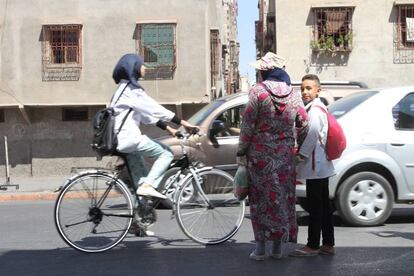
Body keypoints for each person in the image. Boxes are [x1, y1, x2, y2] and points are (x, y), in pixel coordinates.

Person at [237, 52, 309, 261]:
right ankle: (277, 249)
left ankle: (260, 249)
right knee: (282, 200)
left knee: (261, 202)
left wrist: (241, 151)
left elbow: (248, 124)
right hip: (285, 158)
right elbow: (304, 124)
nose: (258, 73)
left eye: (260, 70)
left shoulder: (258, 92)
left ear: (265, 71)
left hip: (259, 157)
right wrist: (299, 150)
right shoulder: (294, 95)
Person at [111, 53, 197, 200]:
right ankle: (148, 186)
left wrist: (169, 129)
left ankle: (140, 217)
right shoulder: (131, 90)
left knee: (142, 181)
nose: (145, 67)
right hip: (130, 139)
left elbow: (146, 116)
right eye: (142, 64)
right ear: (134, 68)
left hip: (123, 140)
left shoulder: (123, 89)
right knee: (167, 153)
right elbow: (153, 108)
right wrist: (181, 122)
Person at [290, 74, 336, 257]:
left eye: (309, 88)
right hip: (320, 164)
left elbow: (314, 133)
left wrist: (301, 155)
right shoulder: (316, 107)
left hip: (316, 164)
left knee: (316, 206)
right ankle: (328, 244)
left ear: (318, 90)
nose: (305, 92)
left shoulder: (315, 109)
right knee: (324, 205)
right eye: (302, 88)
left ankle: (313, 245)